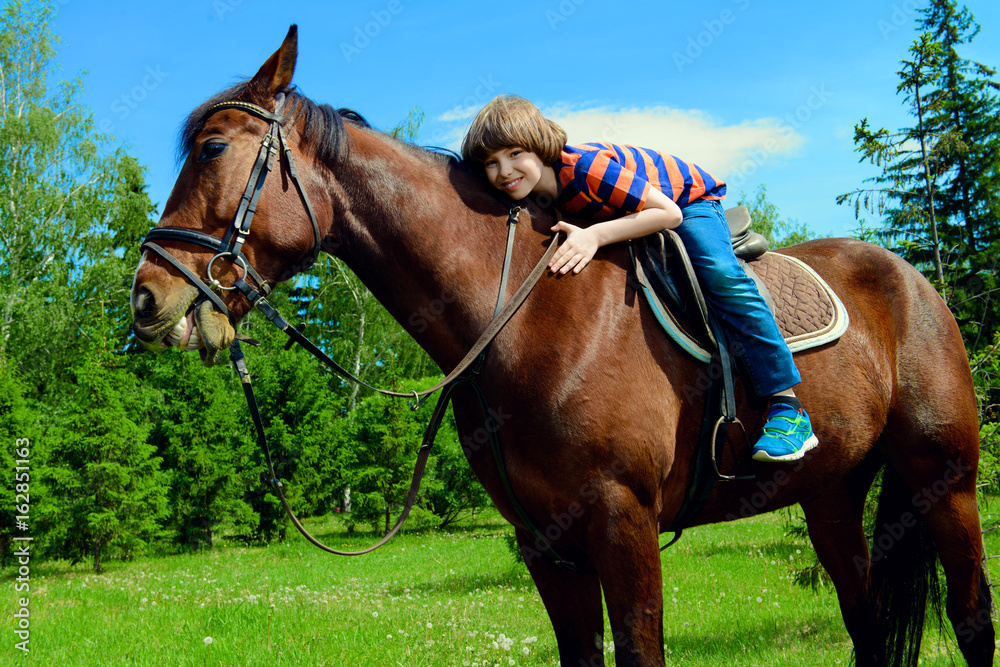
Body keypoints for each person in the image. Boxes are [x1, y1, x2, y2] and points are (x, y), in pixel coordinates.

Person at [460, 95, 817, 463]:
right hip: (632, 212)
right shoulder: (535, 197)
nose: (504, 171)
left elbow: (669, 213)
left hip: (687, 201)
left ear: (541, 147)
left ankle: (788, 406)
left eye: (515, 153)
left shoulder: (585, 169)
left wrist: (595, 235)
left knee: (720, 274)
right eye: (491, 162)